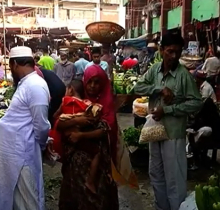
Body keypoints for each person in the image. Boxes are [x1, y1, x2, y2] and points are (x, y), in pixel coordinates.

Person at [133, 33, 202, 210]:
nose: (174, 56)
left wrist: (169, 110)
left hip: (173, 134)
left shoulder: (183, 75)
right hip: (155, 132)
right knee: (156, 174)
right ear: (161, 50)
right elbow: (138, 87)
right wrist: (159, 89)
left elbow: (196, 102)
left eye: (177, 52)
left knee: (175, 180)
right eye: (170, 51)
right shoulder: (155, 69)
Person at [56, 65, 137, 210]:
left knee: (96, 198)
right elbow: (58, 123)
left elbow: (106, 130)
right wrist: (76, 121)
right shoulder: (77, 100)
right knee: (74, 196)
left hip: (99, 162)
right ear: (84, 81)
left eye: (97, 82)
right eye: (90, 82)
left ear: (103, 83)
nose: (92, 86)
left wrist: (81, 135)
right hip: (75, 161)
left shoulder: (106, 105)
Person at [0, 46, 51, 210]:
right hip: (15, 153)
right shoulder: (27, 84)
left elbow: (42, 126)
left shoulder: (35, 85)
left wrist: (43, 145)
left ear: (14, 64)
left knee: (28, 201)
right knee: (17, 199)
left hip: (23, 154)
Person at [54, 79, 103, 194]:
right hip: (80, 145)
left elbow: (55, 118)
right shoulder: (87, 104)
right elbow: (94, 117)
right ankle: (90, 181)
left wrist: (65, 117)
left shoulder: (64, 101)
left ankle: (88, 182)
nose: (92, 86)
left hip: (69, 139)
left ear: (70, 89)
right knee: (97, 153)